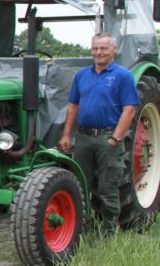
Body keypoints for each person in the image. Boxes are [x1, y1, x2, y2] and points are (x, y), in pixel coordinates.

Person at [58, 33, 138, 236]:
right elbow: (73, 107)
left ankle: (109, 231)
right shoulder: (82, 75)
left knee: (108, 186)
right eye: (95, 48)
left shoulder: (122, 76)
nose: (99, 52)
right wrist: (67, 135)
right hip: (84, 138)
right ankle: (80, 227)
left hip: (107, 139)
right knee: (81, 184)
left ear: (114, 50)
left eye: (103, 48)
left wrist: (115, 138)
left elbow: (129, 110)